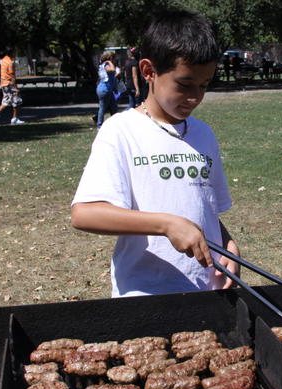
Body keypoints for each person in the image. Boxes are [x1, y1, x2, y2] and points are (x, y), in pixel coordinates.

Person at [71, 9, 240, 298]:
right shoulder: (121, 131)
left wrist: (228, 244)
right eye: (185, 85)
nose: (195, 97)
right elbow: (85, 214)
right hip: (145, 297)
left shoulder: (204, 134)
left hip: (206, 291)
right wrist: (166, 224)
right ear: (149, 71)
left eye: (204, 86)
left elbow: (203, 208)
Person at [0, 47, 24, 125]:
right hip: (9, 83)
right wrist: (15, 87)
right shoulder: (10, 62)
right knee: (16, 100)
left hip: (3, 83)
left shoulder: (3, 60)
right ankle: (15, 119)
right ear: (12, 53)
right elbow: (12, 75)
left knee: (6, 101)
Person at [94, 51, 119, 129]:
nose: (115, 60)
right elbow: (112, 70)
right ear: (111, 58)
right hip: (104, 90)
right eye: (114, 58)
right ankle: (99, 125)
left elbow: (113, 77)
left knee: (113, 107)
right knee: (103, 108)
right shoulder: (106, 65)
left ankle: (116, 124)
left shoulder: (105, 65)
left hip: (109, 90)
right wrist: (109, 61)